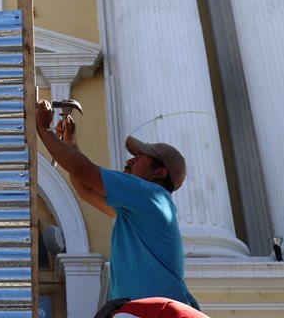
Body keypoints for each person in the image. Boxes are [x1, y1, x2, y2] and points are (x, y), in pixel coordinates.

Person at [34, 100, 204, 318]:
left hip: (153, 312)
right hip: (144, 310)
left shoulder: (148, 193)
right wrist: (70, 144)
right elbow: (86, 189)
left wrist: (43, 129)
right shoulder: (140, 209)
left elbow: (82, 169)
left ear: (159, 173)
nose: (130, 160)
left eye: (140, 157)